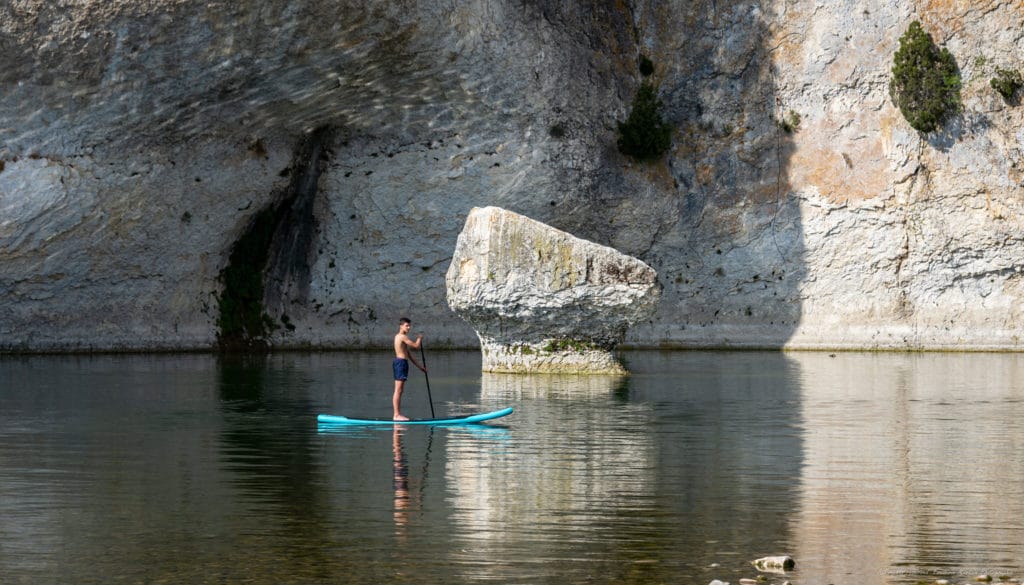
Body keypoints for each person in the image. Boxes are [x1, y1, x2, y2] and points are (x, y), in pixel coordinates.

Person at [392, 317, 426, 421]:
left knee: (400, 390)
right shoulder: (401, 337)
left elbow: (410, 356)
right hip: (400, 363)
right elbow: (416, 346)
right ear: (401, 326)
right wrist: (419, 338)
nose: (409, 328)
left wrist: (421, 367)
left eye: (409, 325)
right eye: (407, 325)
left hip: (402, 363)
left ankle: (397, 415)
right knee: (398, 390)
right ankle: (397, 415)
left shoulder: (403, 338)